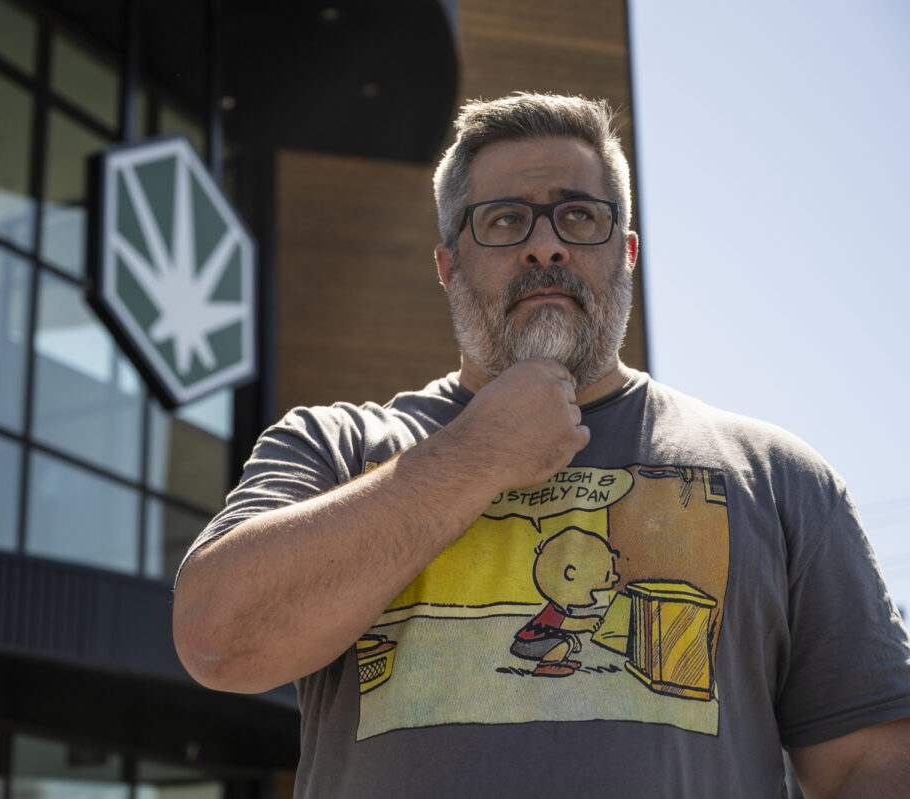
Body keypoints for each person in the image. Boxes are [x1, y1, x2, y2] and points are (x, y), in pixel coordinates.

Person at [172, 93, 910, 797]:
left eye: (578, 217)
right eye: (504, 221)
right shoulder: (332, 448)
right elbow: (217, 641)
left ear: (625, 252)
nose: (546, 246)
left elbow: (872, 764)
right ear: (447, 265)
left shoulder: (780, 478)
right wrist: (476, 452)